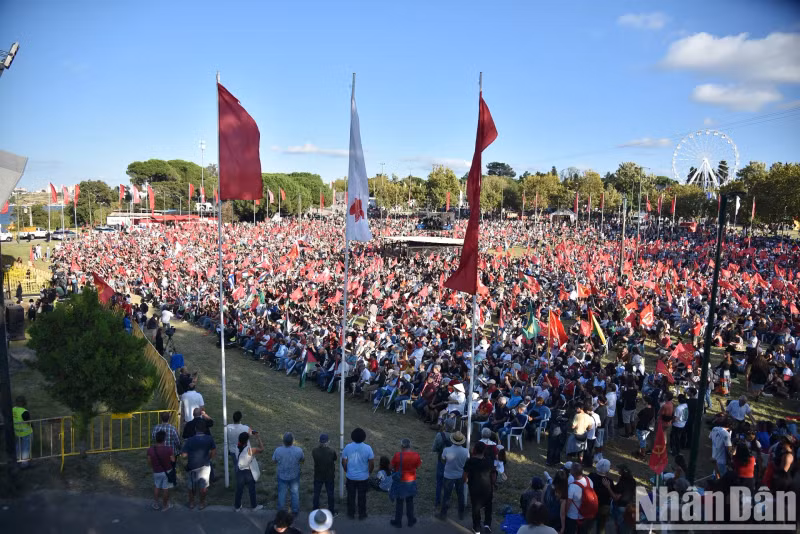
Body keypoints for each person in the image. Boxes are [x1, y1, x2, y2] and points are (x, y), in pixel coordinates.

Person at [180, 419, 216, 510]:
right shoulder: (209, 439)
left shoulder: (190, 440)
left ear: (196, 429)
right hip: (205, 466)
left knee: (191, 487)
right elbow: (213, 452)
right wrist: (208, 458)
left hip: (192, 466)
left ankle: (192, 503)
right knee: (203, 487)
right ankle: (202, 503)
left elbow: (184, 455)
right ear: (204, 429)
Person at [341, 427, 374, 520]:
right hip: (363, 477)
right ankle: (362, 514)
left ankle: (351, 513)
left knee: (350, 496)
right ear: (364, 437)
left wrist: (346, 470)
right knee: (362, 497)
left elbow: (343, 461)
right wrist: (369, 472)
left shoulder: (348, 447)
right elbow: (371, 463)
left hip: (351, 477)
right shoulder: (368, 448)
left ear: (352, 437)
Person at [464, 441, 495, 534]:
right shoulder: (489, 461)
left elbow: (465, 475)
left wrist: (467, 481)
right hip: (487, 488)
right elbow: (493, 476)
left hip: (474, 488)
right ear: (484, 450)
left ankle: (476, 528)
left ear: (475, 450)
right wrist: (493, 484)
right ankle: (487, 525)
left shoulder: (470, 461)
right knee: (488, 506)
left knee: (476, 508)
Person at [389, 438, 421, 528]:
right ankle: (411, 520)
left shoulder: (397, 455)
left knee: (399, 503)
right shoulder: (416, 455)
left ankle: (398, 522)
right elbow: (418, 466)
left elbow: (391, 467)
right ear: (410, 445)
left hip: (400, 482)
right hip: (411, 482)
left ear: (401, 446)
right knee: (410, 502)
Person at [439, 430, 469, 521]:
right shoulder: (466, 451)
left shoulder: (446, 450)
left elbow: (443, 461)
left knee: (446, 496)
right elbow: (467, 462)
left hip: (448, 475)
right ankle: (461, 514)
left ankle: (443, 514)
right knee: (461, 495)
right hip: (460, 475)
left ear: (452, 440)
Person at [273, 432, 304, 515]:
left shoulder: (278, 450)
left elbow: (274, 461)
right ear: (293, 441)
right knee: (294, 493)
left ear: (283, 441)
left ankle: (281, 511)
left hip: (282, 475)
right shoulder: (298, 450)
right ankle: (295, 510)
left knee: (282, 493)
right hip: (294, 475)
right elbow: (302, 459)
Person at [235, 431, 264, 511]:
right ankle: (254, 506)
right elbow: (262, 449)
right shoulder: (251, 450)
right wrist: (258, 437)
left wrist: (248, 435)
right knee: (252, 489)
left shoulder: (236, 447)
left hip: (240, 471)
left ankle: (237, 506)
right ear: (247, 441)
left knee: (239, 489)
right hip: (248, 472)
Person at [147, 430, 175, 511]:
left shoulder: (150, 450)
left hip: (156, 471)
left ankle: (155, 503)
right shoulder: (169, 449)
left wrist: (153, 467)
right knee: (165, 489)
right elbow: (173, 460)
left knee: (157, 487)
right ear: (164, 439)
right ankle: (165, 505)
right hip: (167, 471)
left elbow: (149, 461)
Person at [563, 463, 595, 534]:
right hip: (585, 514)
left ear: (572, 472)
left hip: (572, 516)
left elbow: (568, 503)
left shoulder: (572, 487)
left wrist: (564, 513)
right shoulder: (589, 480)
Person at [312, 433, 337, 515]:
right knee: (330, 494)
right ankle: (331, 511)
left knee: (316, 493)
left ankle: (315, 510)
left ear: (319, 441)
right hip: (329, 476)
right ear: (328, 441)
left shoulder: (314, 451)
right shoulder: (332, 451)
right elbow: (335, 459)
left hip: (318, 476)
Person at [589, 459, 613, 534]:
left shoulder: (591, 476)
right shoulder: (609, 481)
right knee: (601, 527)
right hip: (604, 506)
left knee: (589, 525)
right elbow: (612, 495)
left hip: (592, 504)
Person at [12, 395, 32, 468]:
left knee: (18, 446)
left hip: (17, 432)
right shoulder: (24, 412)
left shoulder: (13, 409)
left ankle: (17, 459)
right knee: (26, 448)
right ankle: (24, 464)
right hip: (26, 433)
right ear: (23, 403)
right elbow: (29, 422)